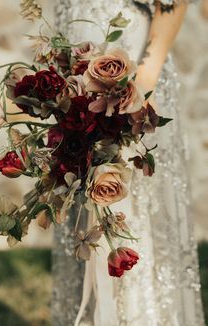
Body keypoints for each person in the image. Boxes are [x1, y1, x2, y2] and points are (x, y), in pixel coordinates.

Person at [51, 1, 205, 325]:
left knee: (131, 220)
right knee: (84, 221)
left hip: (133, 81)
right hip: (76, 90)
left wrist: (141, 86)